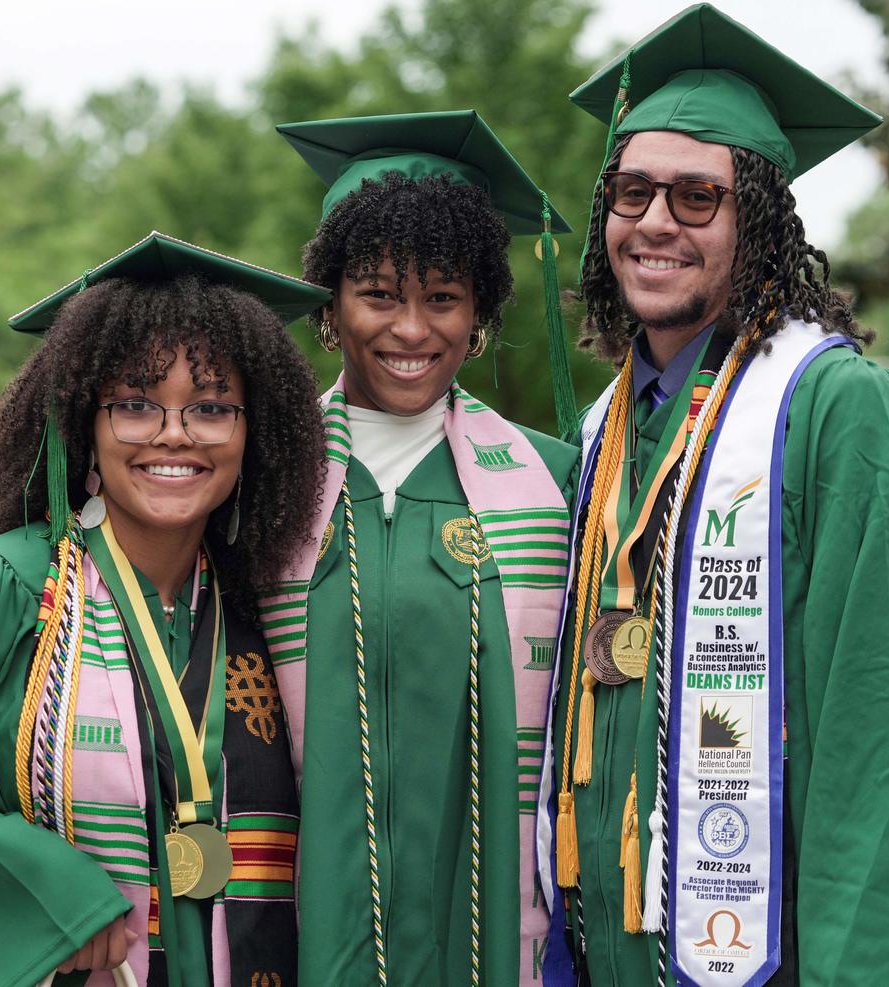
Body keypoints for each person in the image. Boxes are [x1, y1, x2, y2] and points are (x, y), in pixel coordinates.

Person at [538, 6, 889, 985]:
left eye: (697, 198)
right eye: (632, 192)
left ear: (756, 221)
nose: (656, 221)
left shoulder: (843, 416)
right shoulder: (603, 437)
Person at [0, 232, 329, 986]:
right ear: (82, 421)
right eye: (134, 404)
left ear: (254, 433)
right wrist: (48, 897)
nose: (174, 434)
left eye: (213, 406)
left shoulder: (267, 603)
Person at [261, 110, 580, 986]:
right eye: (378, 294)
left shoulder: (555, 484)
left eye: (442, 297)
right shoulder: (262, 479)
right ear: (331, 303)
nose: (411, 329)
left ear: (478, 311)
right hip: (298, 925)